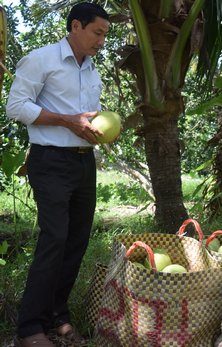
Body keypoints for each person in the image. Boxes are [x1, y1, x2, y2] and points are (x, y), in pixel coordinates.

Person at [6, 3, 109, 346]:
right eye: (97, 33)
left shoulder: (92, 68)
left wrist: (97, 125)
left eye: (105, 35)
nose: (101, 41)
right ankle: (29, 329)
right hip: (50, 160)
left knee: (77, 242)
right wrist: (67, 121)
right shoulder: (42, 59)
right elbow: (17, 106)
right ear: (75, 26)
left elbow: (82, 116)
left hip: (83, 162)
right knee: (54, 240)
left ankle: (58, 317)